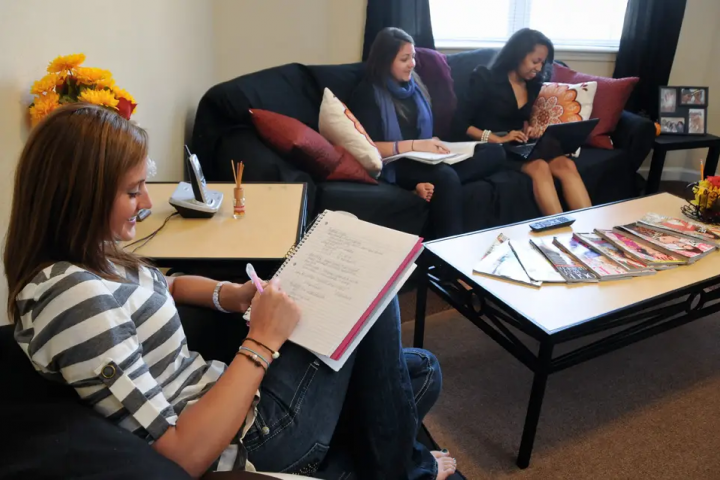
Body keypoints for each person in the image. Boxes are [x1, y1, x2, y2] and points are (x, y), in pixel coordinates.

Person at [4, 103, 459, 480]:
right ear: (79, 196)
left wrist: (235, 294)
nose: (146, 204)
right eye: (132, 191)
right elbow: (182, 458)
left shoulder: (94, 255)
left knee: (421, 371)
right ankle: (402, 471)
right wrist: (261, 341)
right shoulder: (74, 301)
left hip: (230, 396)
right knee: (374, 298)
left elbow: (170, 284)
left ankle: (361, 460)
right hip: (249, 440)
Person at [349, 27, 506, 238]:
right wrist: (416, 145)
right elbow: (369, 146)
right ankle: (449, 252)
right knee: (446, 177)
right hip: (397, 162)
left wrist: (433, 143)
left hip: (425, 156)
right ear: (386, 60)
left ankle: (427, 186)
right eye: (404, 59)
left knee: (495, 152)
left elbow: (424, 133)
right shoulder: (368, 94)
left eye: (413, 57)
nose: (412, 64)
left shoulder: (415, 86)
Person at [455, 28, 592, 216]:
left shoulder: (533, 85)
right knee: (540, 167)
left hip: (517, 145)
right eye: (535, 61)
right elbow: (460, 124)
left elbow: (522, 120)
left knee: (565, 164)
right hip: (491, 148)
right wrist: (496, 138)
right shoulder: (484, 77)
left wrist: (531, 130)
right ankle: (560, 233)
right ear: (518, 54)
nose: (539, 68)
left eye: (542, 63)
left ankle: (590, 230)